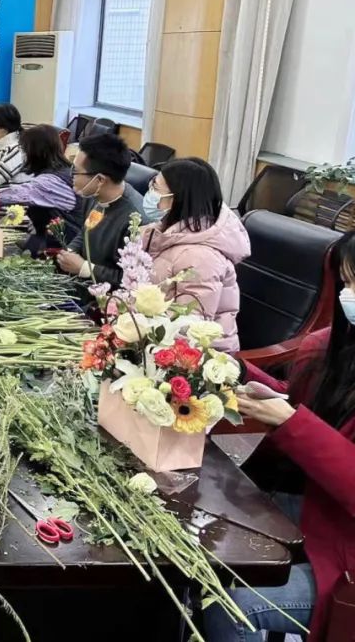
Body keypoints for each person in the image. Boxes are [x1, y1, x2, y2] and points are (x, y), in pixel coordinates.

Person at [204, 231, 355, 641]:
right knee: (207, 526)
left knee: (232, 610)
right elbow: (304, 404)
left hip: (345, 556)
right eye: (345, 282)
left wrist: (290, 421)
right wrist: (241, 374)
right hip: (320, 511)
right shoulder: (335, 346)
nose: (348, 295)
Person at [142, 158, 249, 352]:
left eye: (156, 188)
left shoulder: (200, 257)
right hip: (157, 339)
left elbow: (189, 328)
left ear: (177, 199)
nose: (150, 193)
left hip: (201, 356)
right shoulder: (167, 231)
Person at [57, 133, 144, 286]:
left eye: (76, 171)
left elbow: (131, 279)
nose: (72, 176)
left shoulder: (137, 221)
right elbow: (86, 230)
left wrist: (85, 269)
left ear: (100, 180)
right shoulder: (93, 194)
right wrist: (70, 252)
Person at [0, 125, 77, 255]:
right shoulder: (64, 169)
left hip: (62, 244)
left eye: (24, 150)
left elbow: (16, 194)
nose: (22, 154)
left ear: (34, 152)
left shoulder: (50, 182)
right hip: (50, 235)